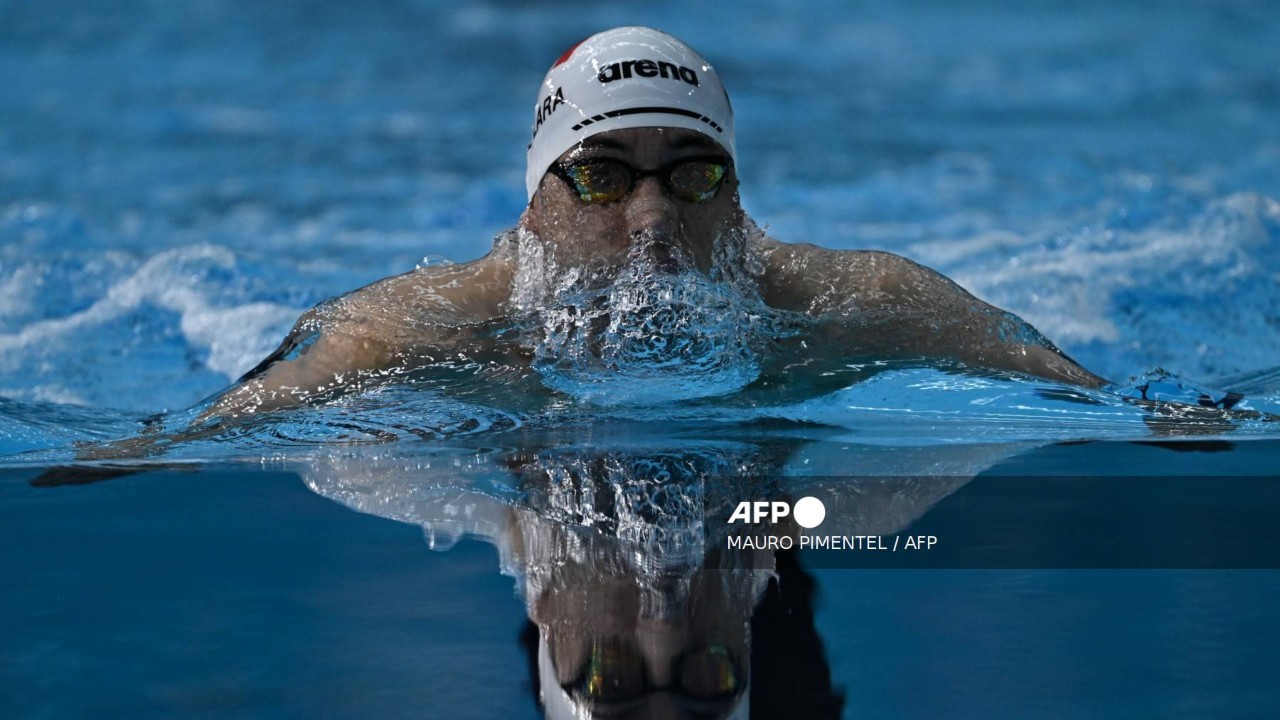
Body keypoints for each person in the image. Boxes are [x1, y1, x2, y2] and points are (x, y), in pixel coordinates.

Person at [202, 25, 1106, 421]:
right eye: (601, 176)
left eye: (693, 173)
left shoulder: (845, 303)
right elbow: (249, 408)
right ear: (536, 204)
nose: (652, 218)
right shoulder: (438, 322)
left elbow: (1088, 394)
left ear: (737, 198)